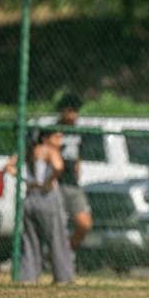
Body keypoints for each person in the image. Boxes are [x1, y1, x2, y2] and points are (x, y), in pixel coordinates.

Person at [3, 128, 75, 284]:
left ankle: (28, 277)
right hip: (47, 196)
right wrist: (48, 182)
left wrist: (26, 180)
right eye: (57, 137)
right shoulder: (49, 151)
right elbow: (58, 166)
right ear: (45, 138)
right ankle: (63, 277)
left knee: (30, 239)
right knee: (57, 237)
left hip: (29, 198)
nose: (60, 142)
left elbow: (8, 166)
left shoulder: (28, 151)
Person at [55, 94, 93, 251]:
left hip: (72, 184)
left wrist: (77, 171)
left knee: (85, 223)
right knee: (56, 226)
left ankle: (64, 251)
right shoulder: (52, 132)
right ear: (63, 111)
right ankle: (54, 255)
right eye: (70, 111)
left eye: (76, 111)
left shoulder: (78, 131)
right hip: (55, 184)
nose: (74, 115)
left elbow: (78, 156)